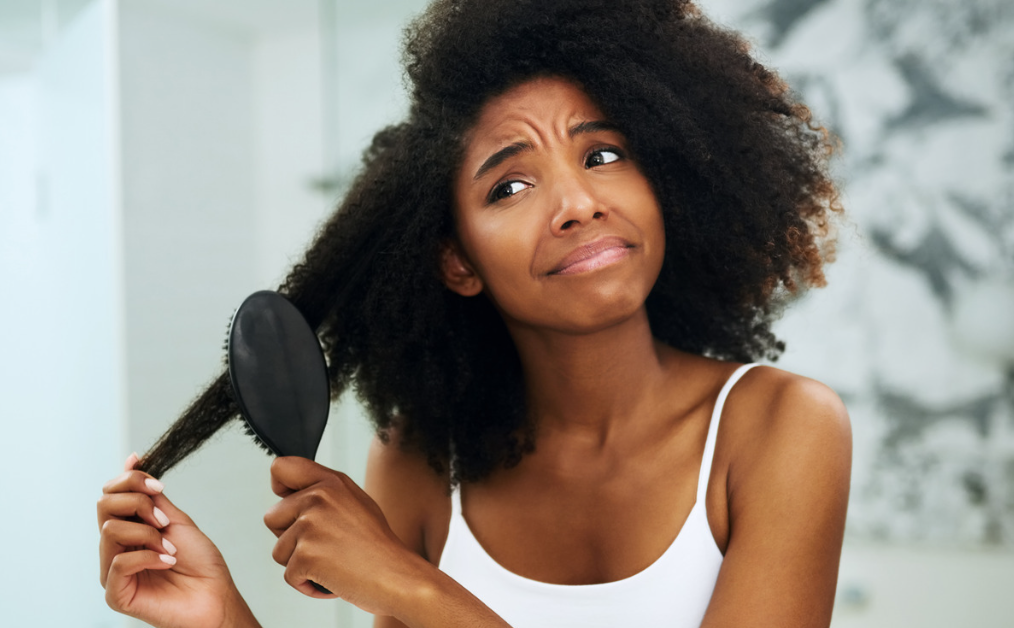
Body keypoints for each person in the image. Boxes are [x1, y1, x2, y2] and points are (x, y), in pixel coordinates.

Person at [96, 0, 851, 626]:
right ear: (458, 263)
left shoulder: (780, 426)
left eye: (601, 156)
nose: (578, 205)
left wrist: (408, 583)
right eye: (510, 187)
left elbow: (407, 590)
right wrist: (224, 617)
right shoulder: (420, 463)